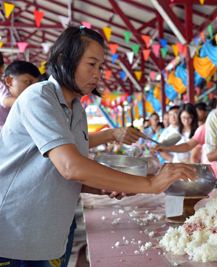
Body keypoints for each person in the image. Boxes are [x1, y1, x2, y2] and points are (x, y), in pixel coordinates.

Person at [0, 26, 195, 264]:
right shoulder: (39, 97)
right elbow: (71, 167)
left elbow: (75, 176)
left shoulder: (77, 111)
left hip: (47, 238)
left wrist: (110, 185)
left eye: (100, 67)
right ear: (63, 59)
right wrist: (150, 183)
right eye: (91, 64)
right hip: (14, 235)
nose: (98, 74)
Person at [0, 60, 40, 129]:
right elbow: (6, 101)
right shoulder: (2, 87)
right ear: (9, 81)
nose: (32, 88)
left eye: (35, 85)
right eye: (28, 82)